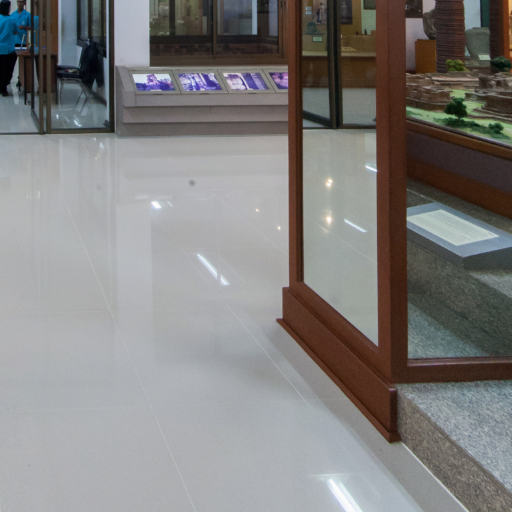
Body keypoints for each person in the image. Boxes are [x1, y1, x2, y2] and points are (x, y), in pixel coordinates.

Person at [0, 0, 18, 96]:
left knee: (1, 69)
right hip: (9, 49)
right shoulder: (12, 20)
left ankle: (2, 87)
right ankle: (4, 86)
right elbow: (15, 31)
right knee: (8, 70)